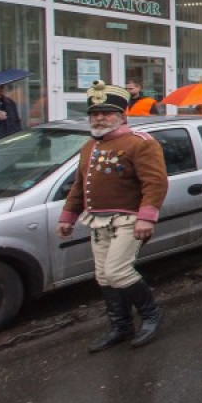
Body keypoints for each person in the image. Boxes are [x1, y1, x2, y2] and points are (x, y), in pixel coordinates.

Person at [56, 81, 167, 350]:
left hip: (128, 219)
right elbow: (80, 185)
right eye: (95, 114)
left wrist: (147, 217)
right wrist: (68, 216)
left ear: (122, 115)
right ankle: (121, 326)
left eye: (106, 113)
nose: (100, 118)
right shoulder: (89, 146)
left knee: (118, 271)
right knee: (104, 276)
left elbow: (155, 183)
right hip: (98, 220)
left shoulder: (140, 143)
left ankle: (151, 315)